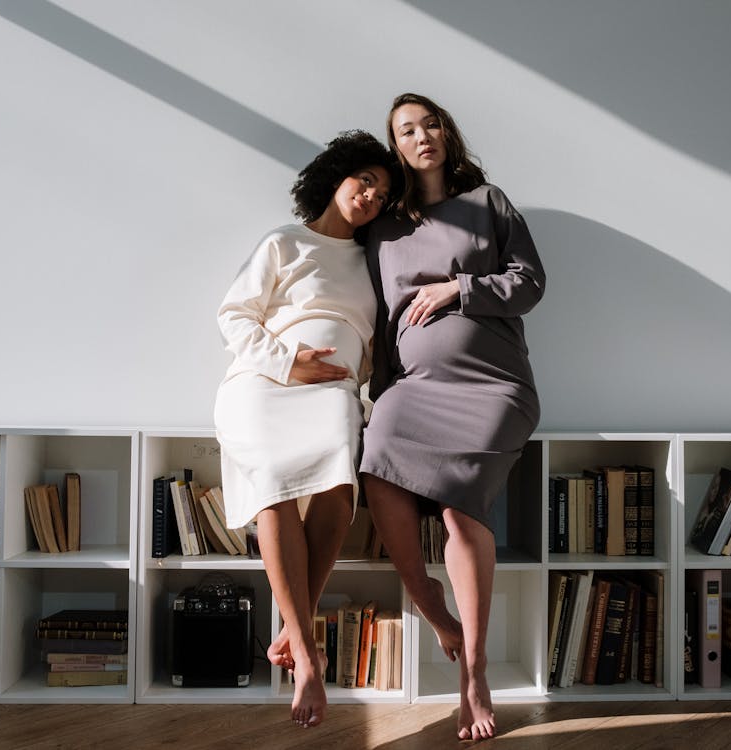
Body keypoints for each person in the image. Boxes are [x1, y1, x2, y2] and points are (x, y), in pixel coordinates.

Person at [360, 93, 545, 741]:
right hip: (414, 385)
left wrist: (458, 288)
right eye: (407, 130)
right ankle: (433, 608)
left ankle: (474, 669)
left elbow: (529, 283)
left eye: (430, 123)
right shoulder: (380, 227)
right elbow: (382, 321)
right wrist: (380, 391)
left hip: (493, 386)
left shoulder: (488, 204)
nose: (422, 135)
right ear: (397, 148)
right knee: (375, 460)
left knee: (461, 511)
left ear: (447, 133)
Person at [213, 130, 394, 729]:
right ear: (336, 176)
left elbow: (369, 347)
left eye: (382, 192)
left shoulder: (373, 263)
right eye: (364, 179)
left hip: (335, 396)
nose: (370, 195)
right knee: (275, 491)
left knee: (339, 499)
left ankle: (295, 628)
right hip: (264, 388)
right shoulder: (283, 242)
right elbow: (233, 315)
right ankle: (308, 653)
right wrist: (291, 363)